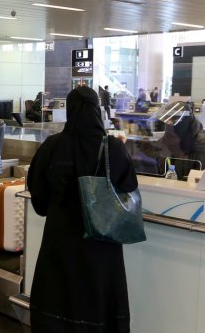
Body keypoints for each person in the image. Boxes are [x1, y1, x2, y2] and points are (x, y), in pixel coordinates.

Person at [27, 86, 138, 332]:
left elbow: (40, 201)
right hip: (102, 245)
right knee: (99, 300)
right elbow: (129, 187)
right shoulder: (113, 147)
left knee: (58, 298)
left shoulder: (52, 146)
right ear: (97, 110)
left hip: (60, 241)